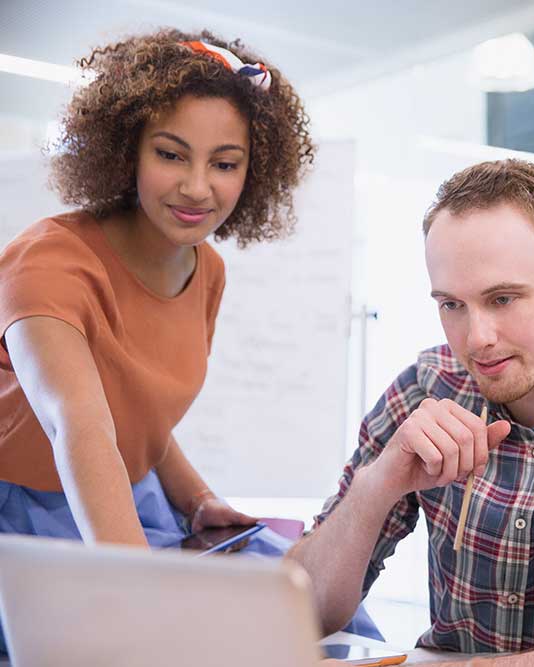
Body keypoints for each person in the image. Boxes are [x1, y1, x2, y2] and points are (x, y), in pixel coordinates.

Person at [287, 159, 534, 664]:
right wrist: (375, 487)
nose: (476, 339)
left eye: (502, 299)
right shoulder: (426, 388)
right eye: (451, 305)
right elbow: (304, 613)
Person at [0, 29, 314, 652]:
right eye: (171, 155)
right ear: (126, 151)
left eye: (224, 164)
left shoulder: (207, 271)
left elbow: (135, 410)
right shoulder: (48, 262)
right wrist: (143, 602)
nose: (198, 188)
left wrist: (197, 500)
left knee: (300, 598)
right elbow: (79, 428)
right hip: (28, 507)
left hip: (133, 492)